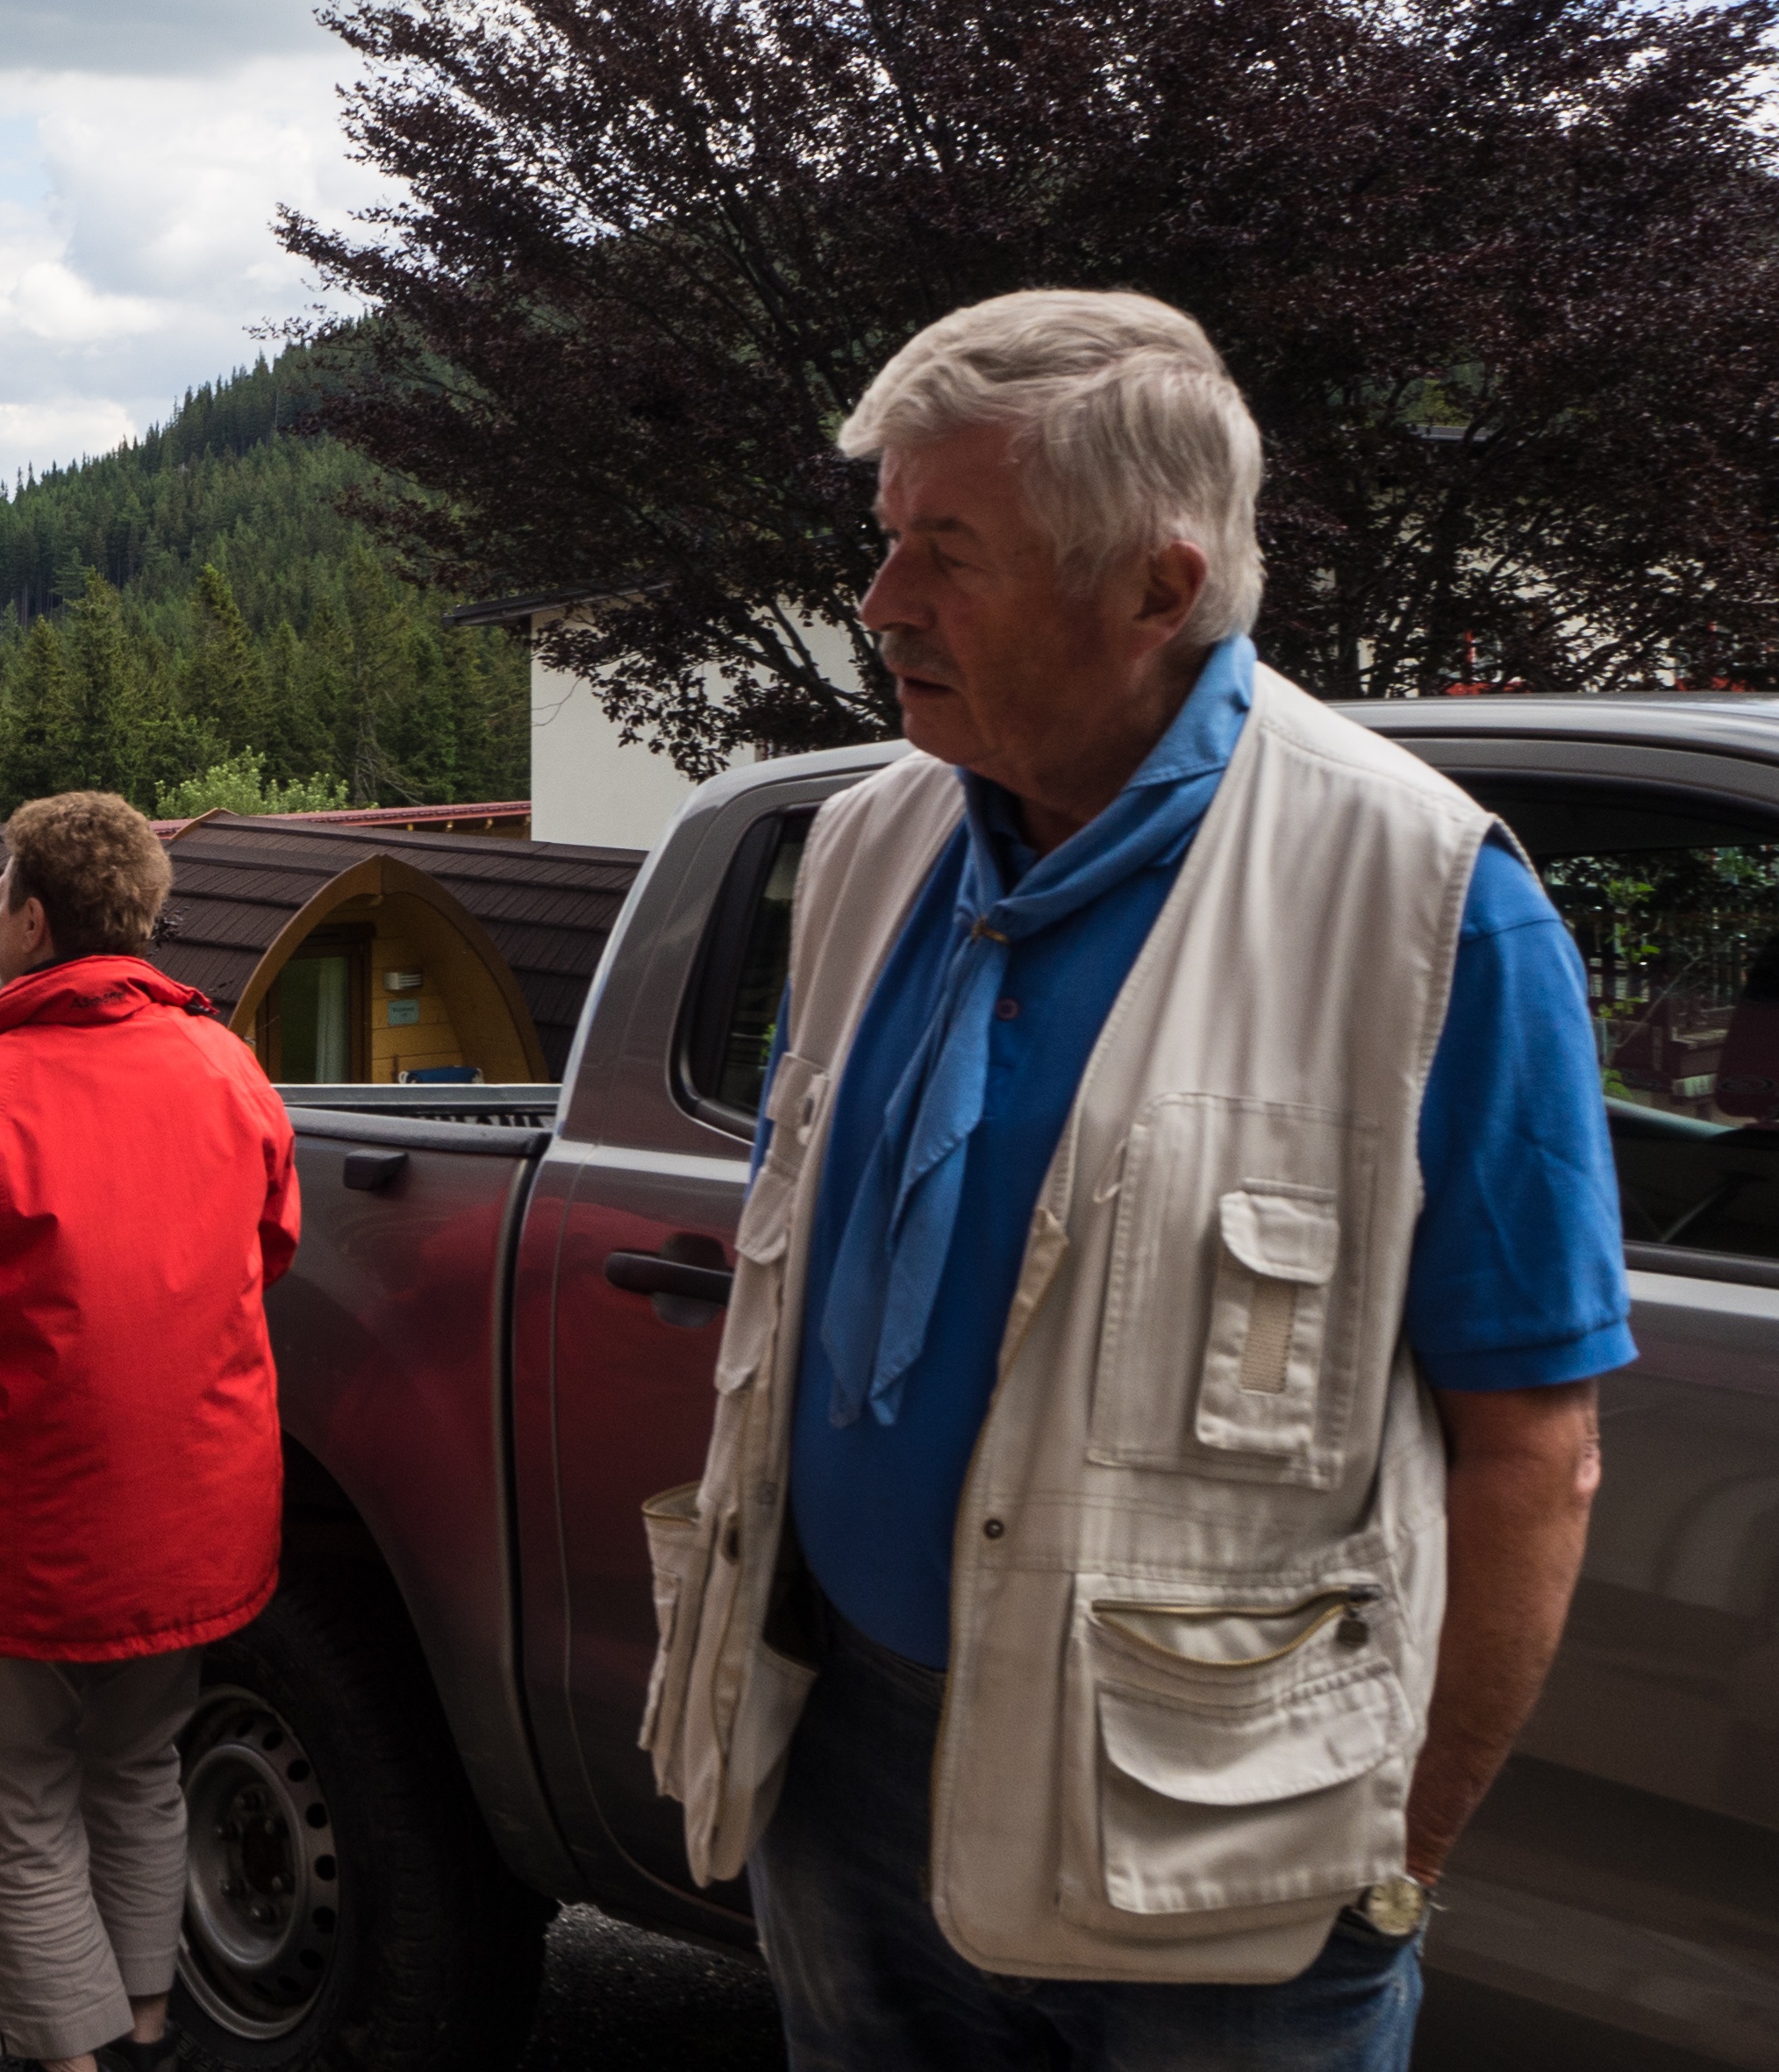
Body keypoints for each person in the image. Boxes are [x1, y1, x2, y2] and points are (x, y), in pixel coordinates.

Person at [639, 292, 1633, 2068]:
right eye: (887, 539)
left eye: (947, 553)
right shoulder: (866, 845)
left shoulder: (1425, 904)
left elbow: (1531, 1452)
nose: (881, 603)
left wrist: (1390, 1865)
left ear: (1155, 589)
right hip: (839, 1762)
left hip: (1215, 1853)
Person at [0, 792, 299, 2072]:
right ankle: (142, 2031)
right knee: (140, 1768)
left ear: (31, 920)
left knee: (24, 1796)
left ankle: (69, 2059)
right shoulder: (227, 1070)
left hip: (10, 1528)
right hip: (192, 1514)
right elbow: (268, 1255)